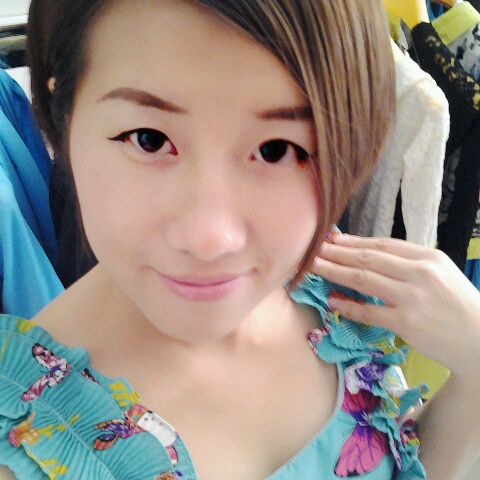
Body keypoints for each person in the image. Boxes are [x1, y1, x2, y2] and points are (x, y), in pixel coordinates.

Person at [0, 1, 479, 479]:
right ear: (64, 117)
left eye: (277, 150)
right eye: (148, 138)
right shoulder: (21, 453)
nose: (210, 239)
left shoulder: (333, 289)